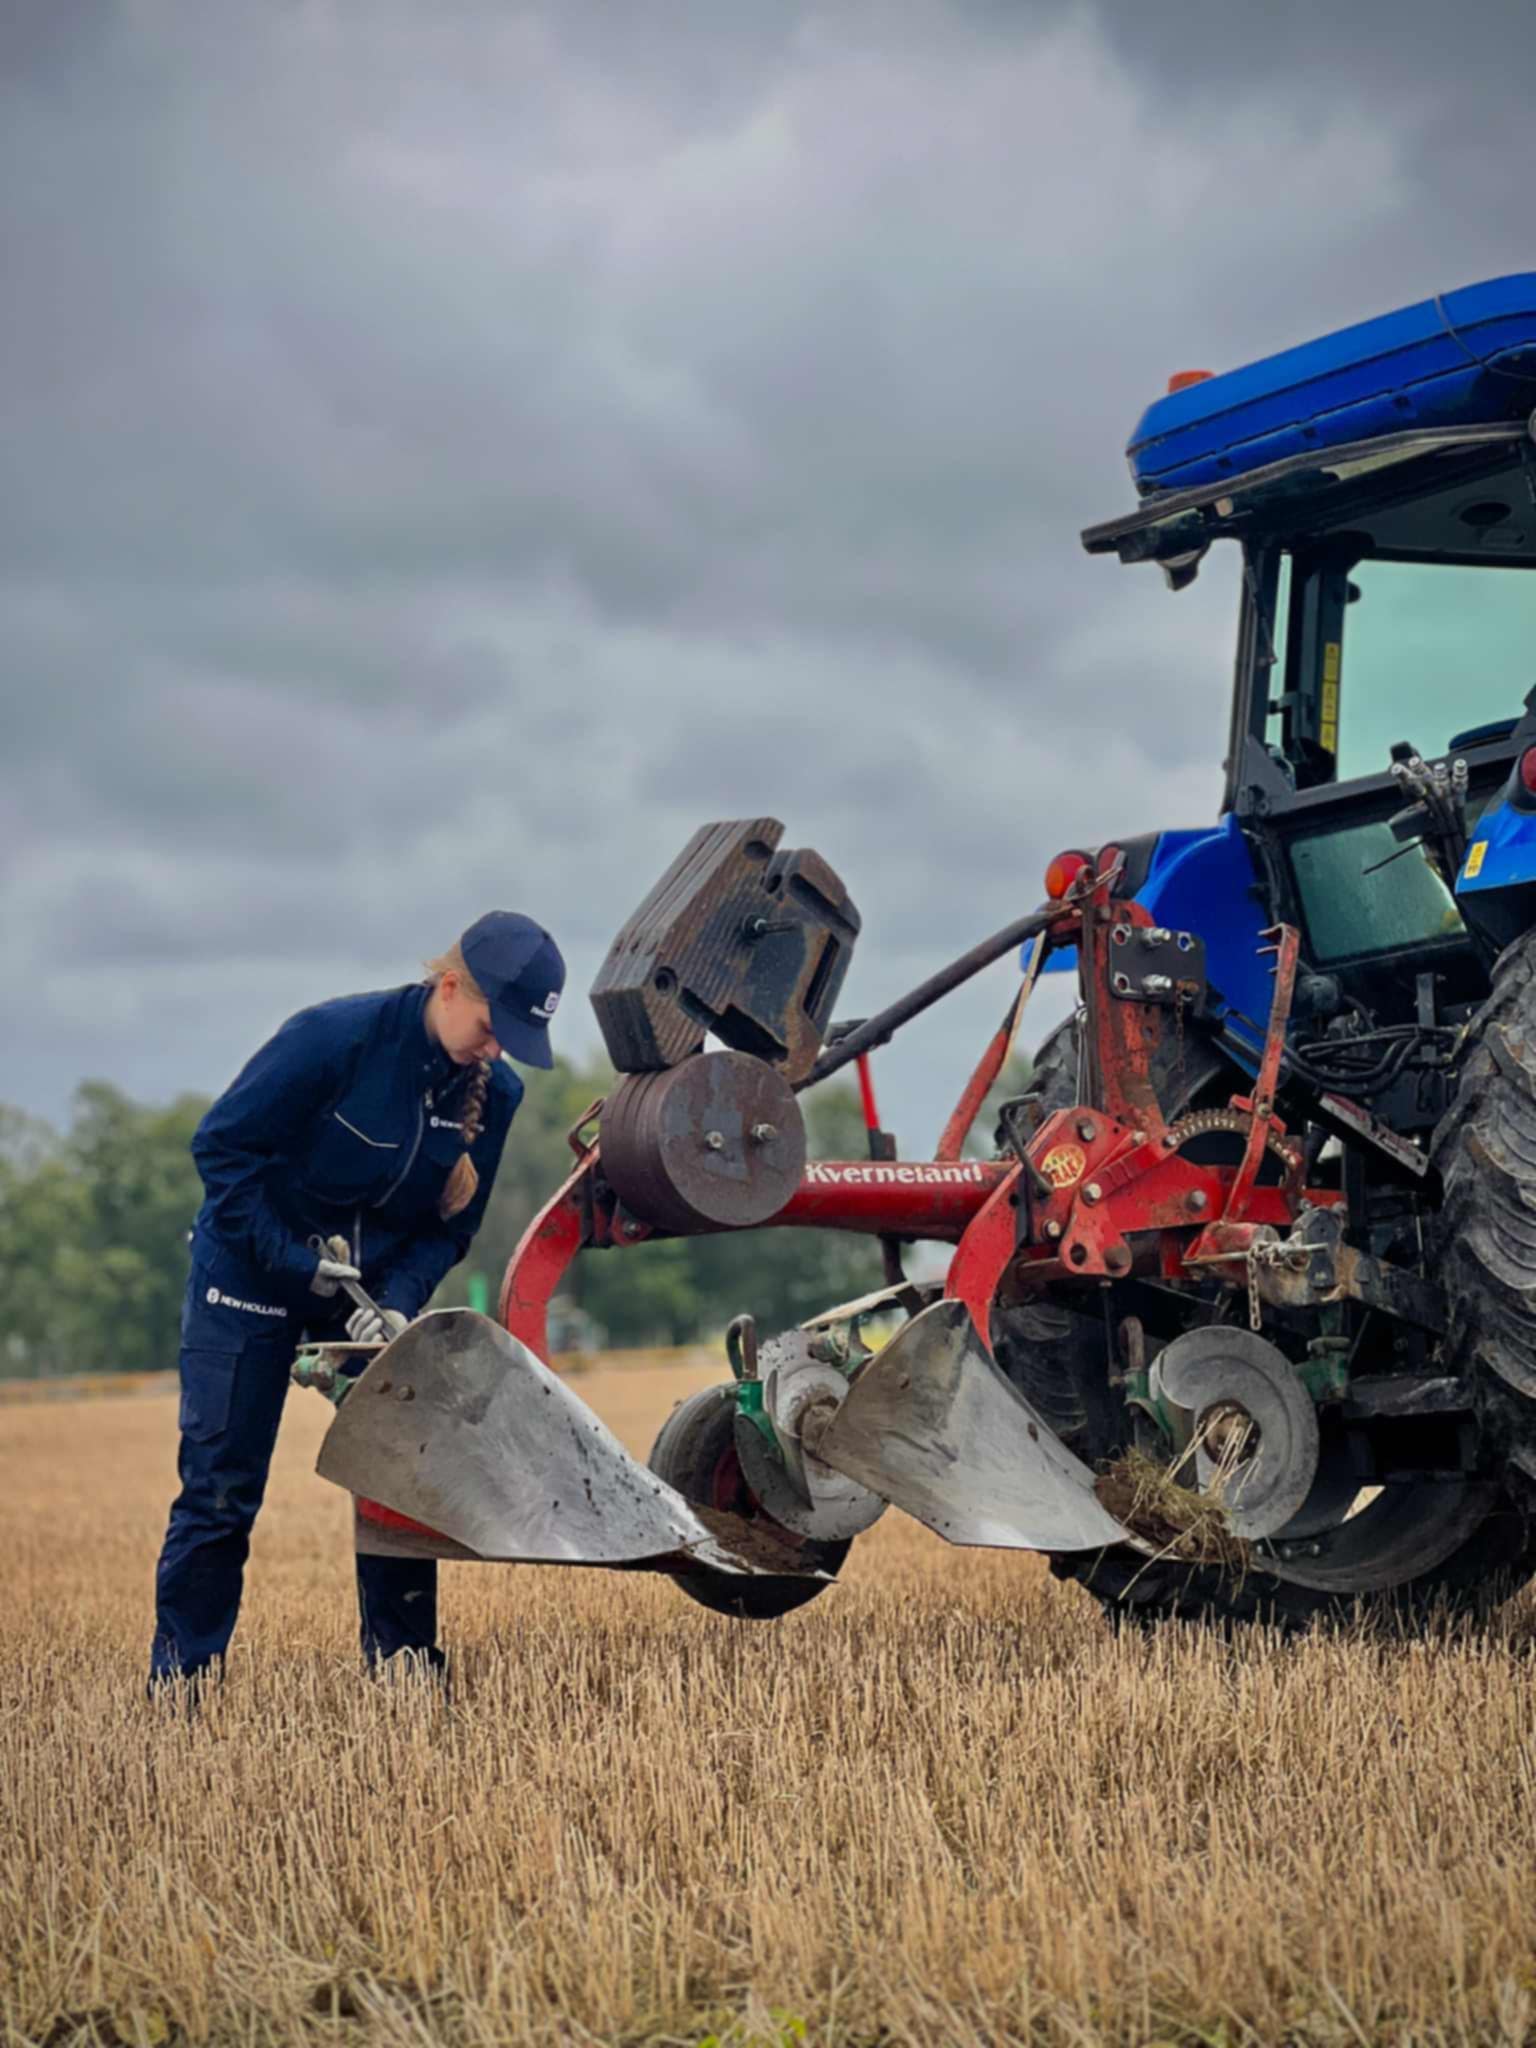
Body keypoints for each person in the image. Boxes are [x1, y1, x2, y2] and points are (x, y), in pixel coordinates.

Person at [148, 910, 566, 1688]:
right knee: (221, 1490)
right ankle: (182, 1682)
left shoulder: (496, 1095)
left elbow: (450, 1231)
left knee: (399, 1477)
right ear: (450, 987)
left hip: (364, 1296)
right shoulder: (332, 1040)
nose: (496, 1049)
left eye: (512, 1037)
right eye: (491, 1026)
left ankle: (404, 1672)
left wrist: (396, 1302)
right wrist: (295, 1264)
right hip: (249, 1274)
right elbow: (221, 1152)